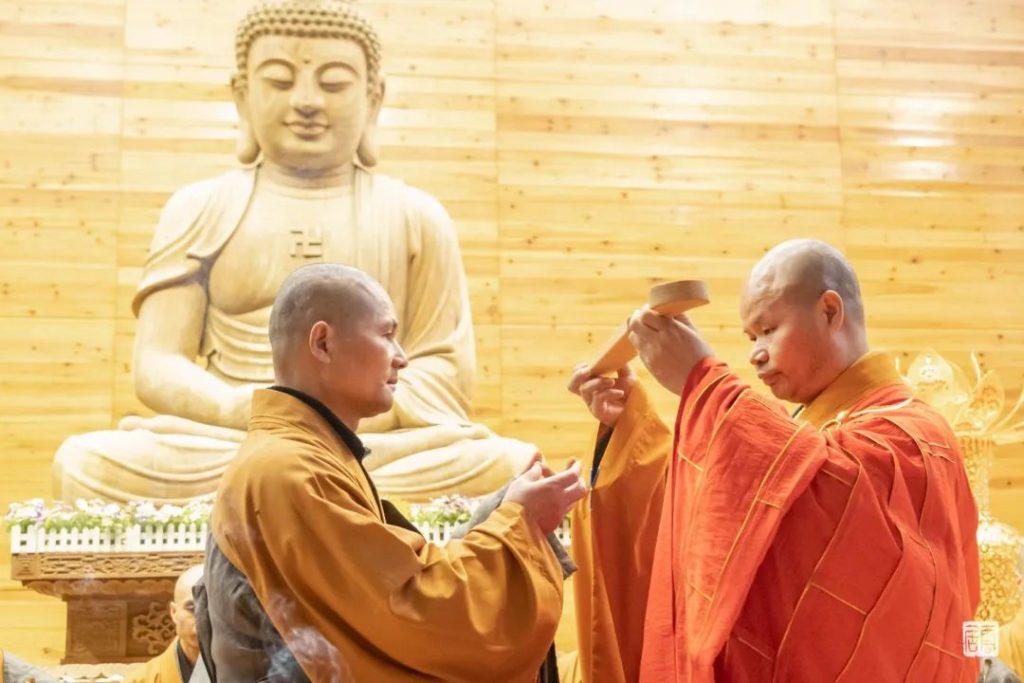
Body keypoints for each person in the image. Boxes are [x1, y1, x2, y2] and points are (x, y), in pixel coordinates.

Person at [52, 0, 535, 505]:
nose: (306, 101)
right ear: (242, 96)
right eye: (280, 81)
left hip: (368, 444)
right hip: (233, 439)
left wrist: (344, 410)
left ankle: (297, 484)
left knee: (508, 465)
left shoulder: (415, 216)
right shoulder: (200, 207)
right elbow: (157, 362)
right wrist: (238, 408)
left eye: (334, 84)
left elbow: (446, 374)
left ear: (373, 98)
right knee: (85, 463)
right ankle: (302, 486)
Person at [568, 239, 980, 682]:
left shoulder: (915, 434)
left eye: (768, 330)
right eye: (751, 337)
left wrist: (704, 383)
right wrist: (627, 428)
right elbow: (703, 522)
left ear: (829, 311)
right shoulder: (804, 432)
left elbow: (840, 510)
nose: (755, 353)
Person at [194, 263, 585, 682]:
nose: (402, 357)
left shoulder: (310, 457)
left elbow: (399, 577)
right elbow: (413, 613)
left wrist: (503, 513)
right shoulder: (288, 470)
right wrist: (517, 524)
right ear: (323, 343)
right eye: (386, 335)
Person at [129, 565, 204, 683]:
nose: (203, 620)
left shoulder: (236, 673)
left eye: (213, 609)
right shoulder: (141, 680)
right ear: (174, 612)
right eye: (192, 608)